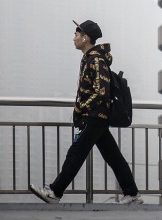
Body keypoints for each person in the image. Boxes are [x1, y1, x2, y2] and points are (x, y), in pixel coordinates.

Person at [29, 19, 142, 204]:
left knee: (76, 153)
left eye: (76, 35)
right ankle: (132, 194)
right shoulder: (90, 58)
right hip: (96, 117)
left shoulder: (96, 60)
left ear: (85, 37)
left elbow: (101, 92)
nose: (74, 38)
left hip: (95, 117)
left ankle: (55, 192)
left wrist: (81, 108)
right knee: (113, 157)